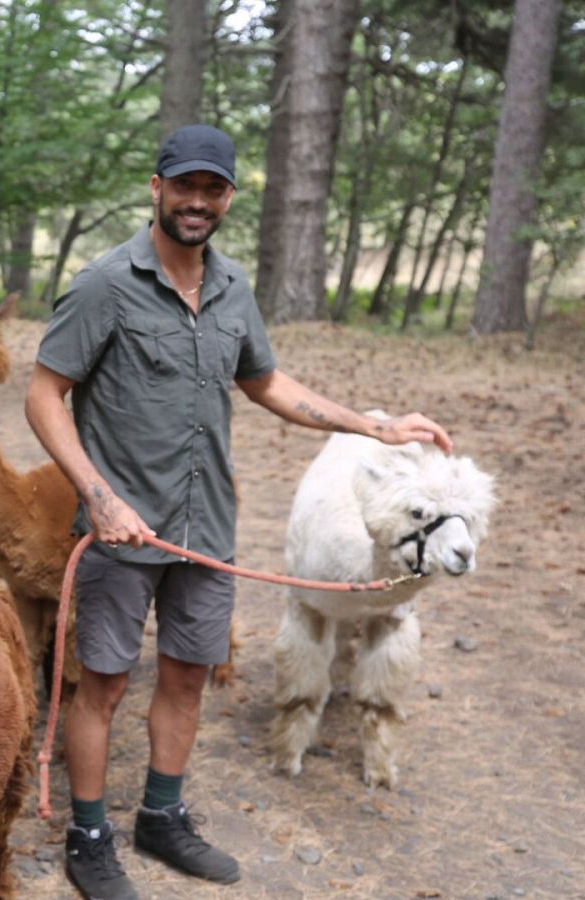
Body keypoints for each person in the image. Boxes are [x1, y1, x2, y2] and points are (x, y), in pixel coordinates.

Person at [25, 124, 452, 900]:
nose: (197, 201)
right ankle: (90, 835)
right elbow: (43, 394)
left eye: (212, 188)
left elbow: (268, 384)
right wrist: (98, 494)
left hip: (205, 528)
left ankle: (162, 816)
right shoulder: (103, 284)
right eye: (183, 185)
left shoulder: (231, 289)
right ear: (156, 189)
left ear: (226, 197)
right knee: (106, 686)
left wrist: (373, 425)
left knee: (187, 677)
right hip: (121, 531)